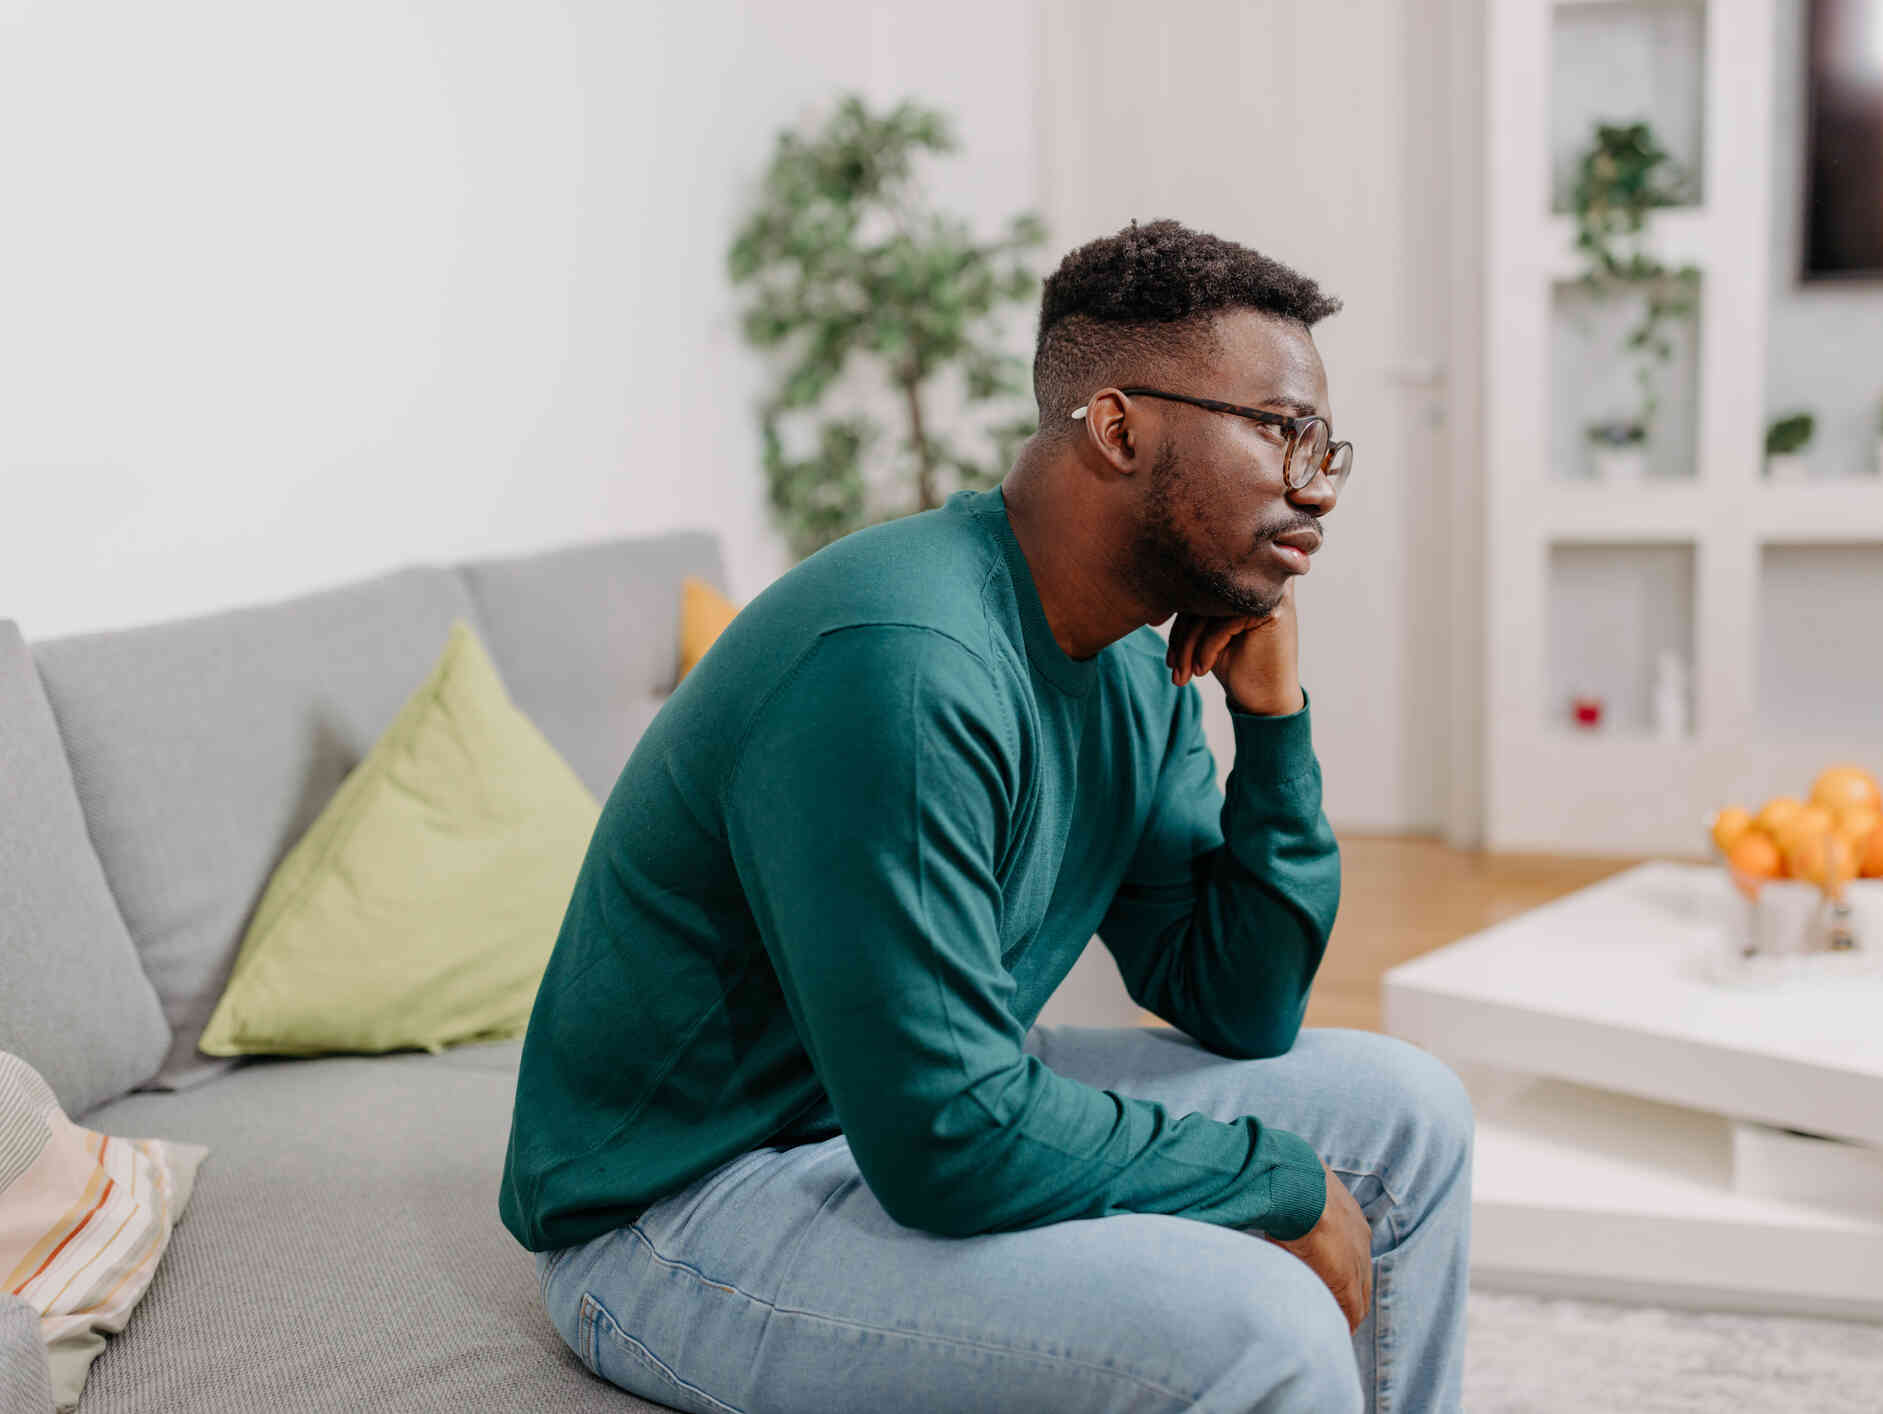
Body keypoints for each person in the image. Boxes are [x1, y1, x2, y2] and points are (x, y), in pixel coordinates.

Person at [499, 218, 1472, 1413]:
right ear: (1118, 428)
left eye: (1322, 442)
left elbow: (1239, 1000)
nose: (1312, 483)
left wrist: (1271, 727)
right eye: (1279, 431)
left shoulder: (1127, 654)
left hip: (903, 1106)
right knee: (1259, 1325)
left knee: (1409, 1116)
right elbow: (949, 1139)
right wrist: (1275, 1182)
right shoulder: (903, 662)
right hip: (690, 1203)